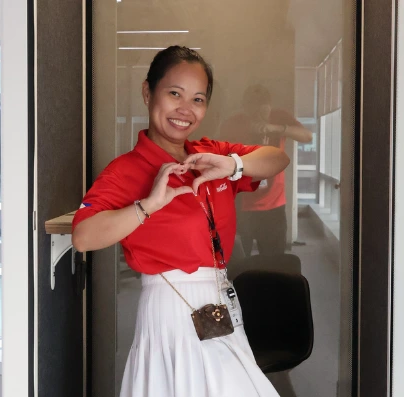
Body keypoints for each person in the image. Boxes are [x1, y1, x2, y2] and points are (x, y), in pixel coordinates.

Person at [71, 46, 287, 397]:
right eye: (174, 93)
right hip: (171, 307)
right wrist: (148, 206)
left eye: (198, 99)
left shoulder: (211, 153)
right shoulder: (126, 171)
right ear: (147, 92)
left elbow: (277, 158)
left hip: (218, 299)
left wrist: (233, 165)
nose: (185, 109)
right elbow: (83, 236)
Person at [220, 85, 313, 256]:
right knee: (239, 263)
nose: (258, 115)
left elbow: (308, 136)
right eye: (253, 111)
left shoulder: (278, 117)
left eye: (263, 110)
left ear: (269, 107)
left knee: (273, 262)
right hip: (240, 205)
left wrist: (276, 128)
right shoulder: (234, 123)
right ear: (245, 109)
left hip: (273, 206)